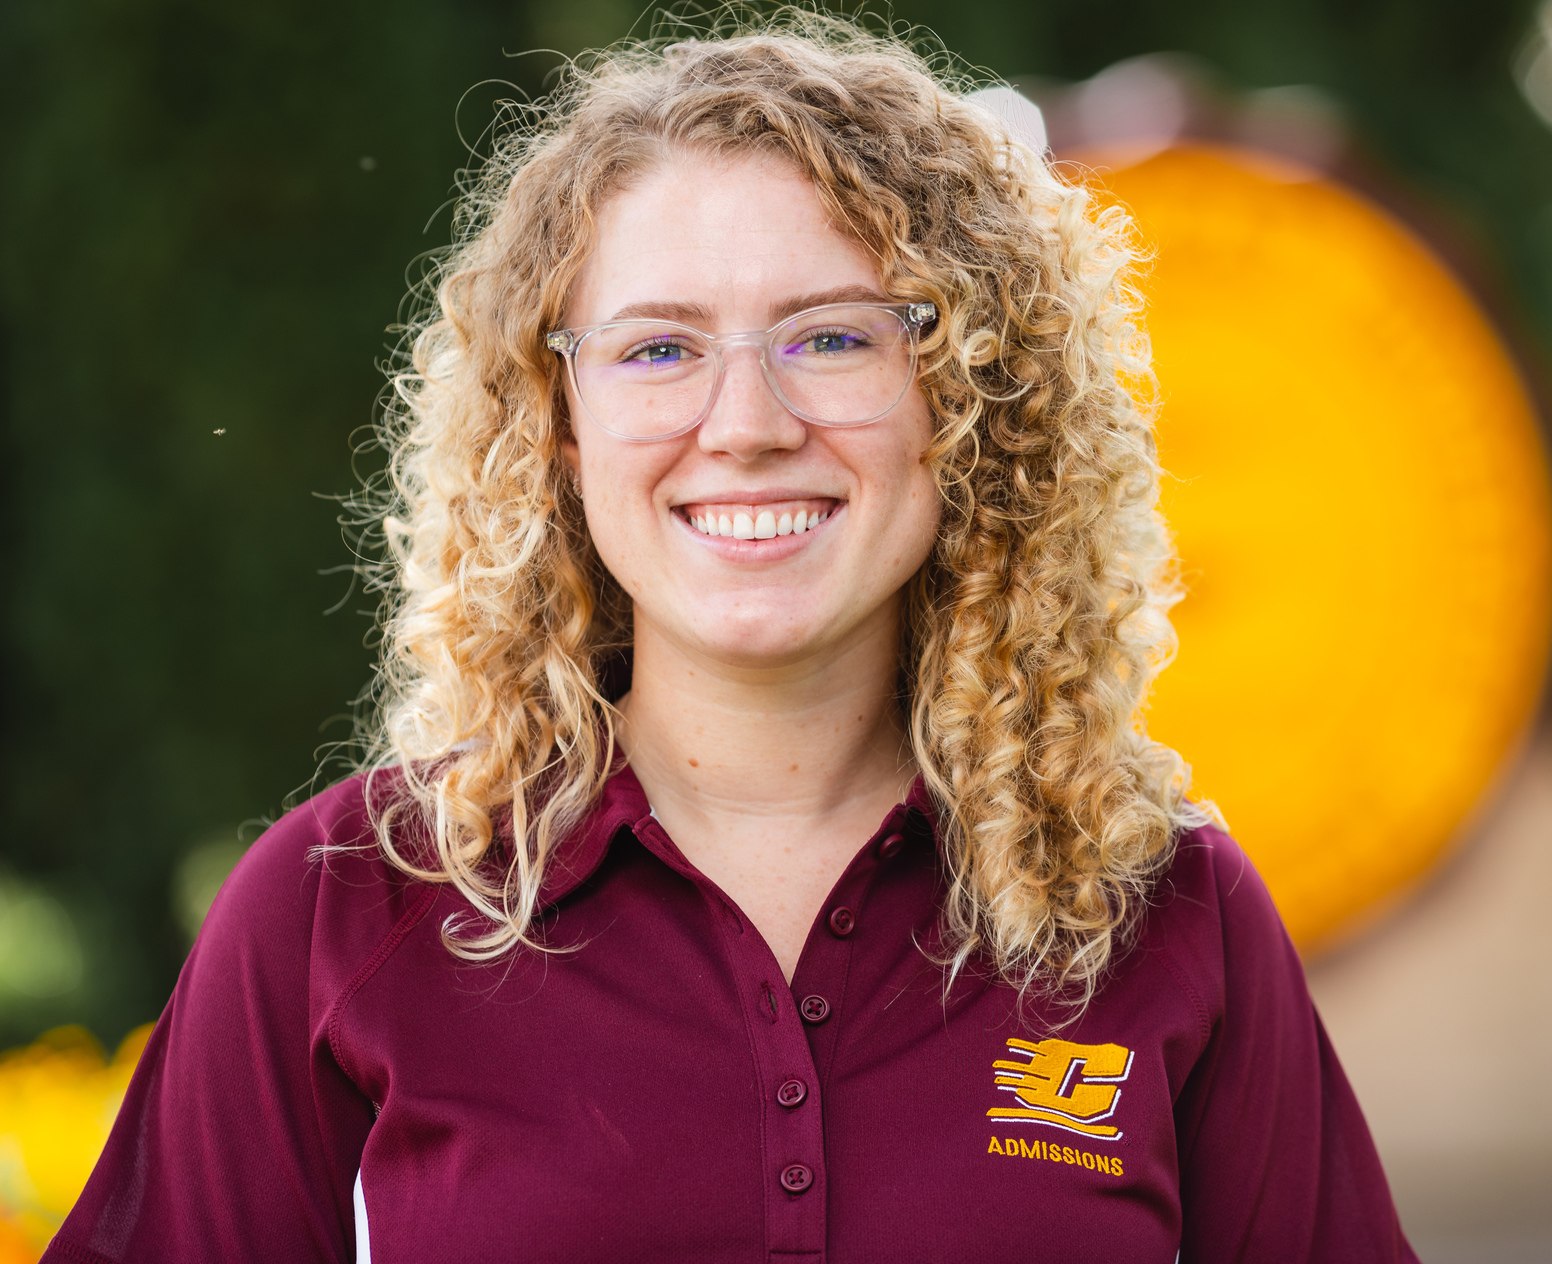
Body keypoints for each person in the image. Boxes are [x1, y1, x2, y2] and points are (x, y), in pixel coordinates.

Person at [49, 14, 1419, 1262]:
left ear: (967, 405)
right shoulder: (348, 905)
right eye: (658, 350)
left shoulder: (1163, 913)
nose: (748, 423)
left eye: (832, 339)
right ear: (556, 423)